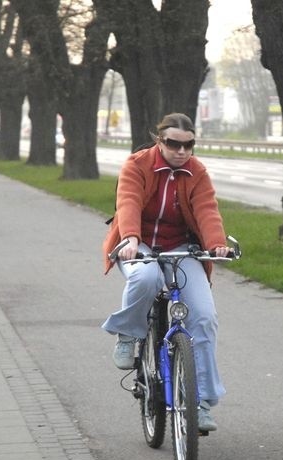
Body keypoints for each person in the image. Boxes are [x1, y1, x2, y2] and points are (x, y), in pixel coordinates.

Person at [101, 112, 232, 432]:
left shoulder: (196, 172)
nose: (182, 151)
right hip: (139, 244)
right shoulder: (138, 164)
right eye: (174, 144)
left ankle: (200, 402)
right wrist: (130, 237)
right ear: (160, 141)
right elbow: (128, 201)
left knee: (203, 316)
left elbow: (207, 210)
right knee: (146, 278)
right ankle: (130, 332)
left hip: (180, 248)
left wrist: (216, 244)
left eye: (189, 145)